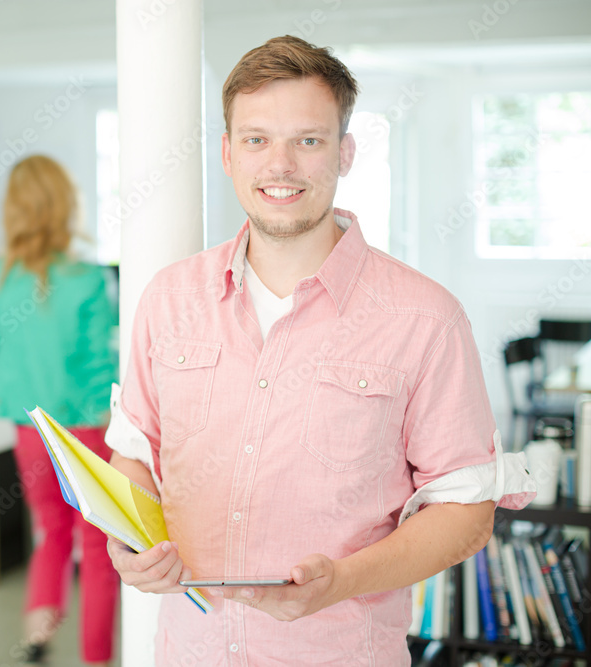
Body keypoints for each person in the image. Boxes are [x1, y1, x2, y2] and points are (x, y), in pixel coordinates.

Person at [103, 35, 536, 665]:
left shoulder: (427, 319)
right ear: (228, 153)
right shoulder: (168, 299)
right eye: (256, 139)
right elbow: (135, 454)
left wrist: (345, 581)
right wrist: (127, 543)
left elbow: (465, 511)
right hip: (186, 650)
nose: (279, 165)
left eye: (307, 140)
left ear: (345, 152)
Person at [0, 155, 118, 666]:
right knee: (98, 549)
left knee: (51, 533)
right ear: (65, 207)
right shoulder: (86, 278)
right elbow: (100, 363)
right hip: (85, 430)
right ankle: (96, 658)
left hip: (30, 428)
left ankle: (36, 640)